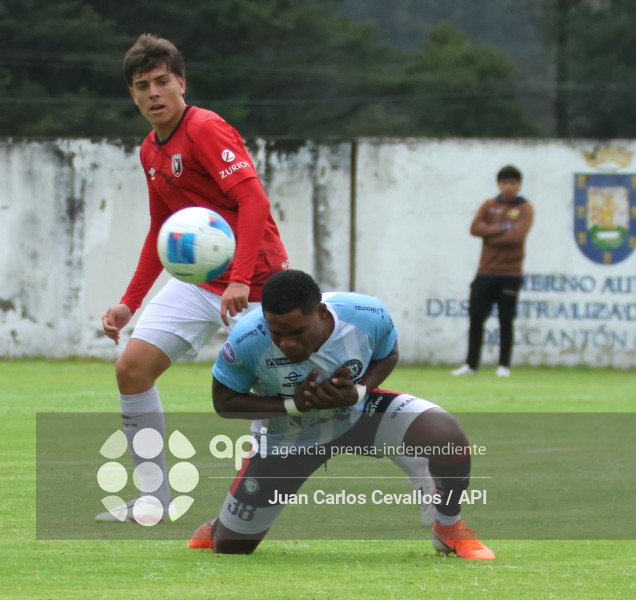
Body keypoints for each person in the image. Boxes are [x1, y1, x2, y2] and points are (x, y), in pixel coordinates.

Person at [95, 33, 291, 523]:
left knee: (271, 401)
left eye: (163, 81)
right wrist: (129, 302)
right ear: (133, 95)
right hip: (200, 281)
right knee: (131, 369)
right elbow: (162, 231)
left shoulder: (206, 128)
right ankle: (153, 499)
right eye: (143, 85)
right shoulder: (149, 150)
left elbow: (255, 202)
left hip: (258, 287)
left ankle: (252, 507)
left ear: (182, 83)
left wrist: (241, 280)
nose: (154, 92)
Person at [188, 270, 495, 559]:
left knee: (446, 436)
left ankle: (448, 526)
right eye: (277, 333)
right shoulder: (247, 339)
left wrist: (359, 391)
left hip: (358, 415)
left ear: (320, 313)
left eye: (297, 331)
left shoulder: (366, 314)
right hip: (289, 436)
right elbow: (224, 402)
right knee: (230, 547)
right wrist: (292, 405)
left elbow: (389, 354)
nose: (287, 343)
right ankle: (221, 525)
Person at [452, 165, 534, 378]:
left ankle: (504, 366)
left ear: (519, 185)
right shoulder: (489, 204)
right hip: (485, 271)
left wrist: (489, 234)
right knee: (476, 318)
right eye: (504, 182)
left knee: (506, 319)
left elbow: (515, 237)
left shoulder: (525, 208)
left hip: (510, 273)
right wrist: (501, 228)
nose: (508, 187)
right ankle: (471, 365)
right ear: (499, 184)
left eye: (513, 183)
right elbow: (474, 228)